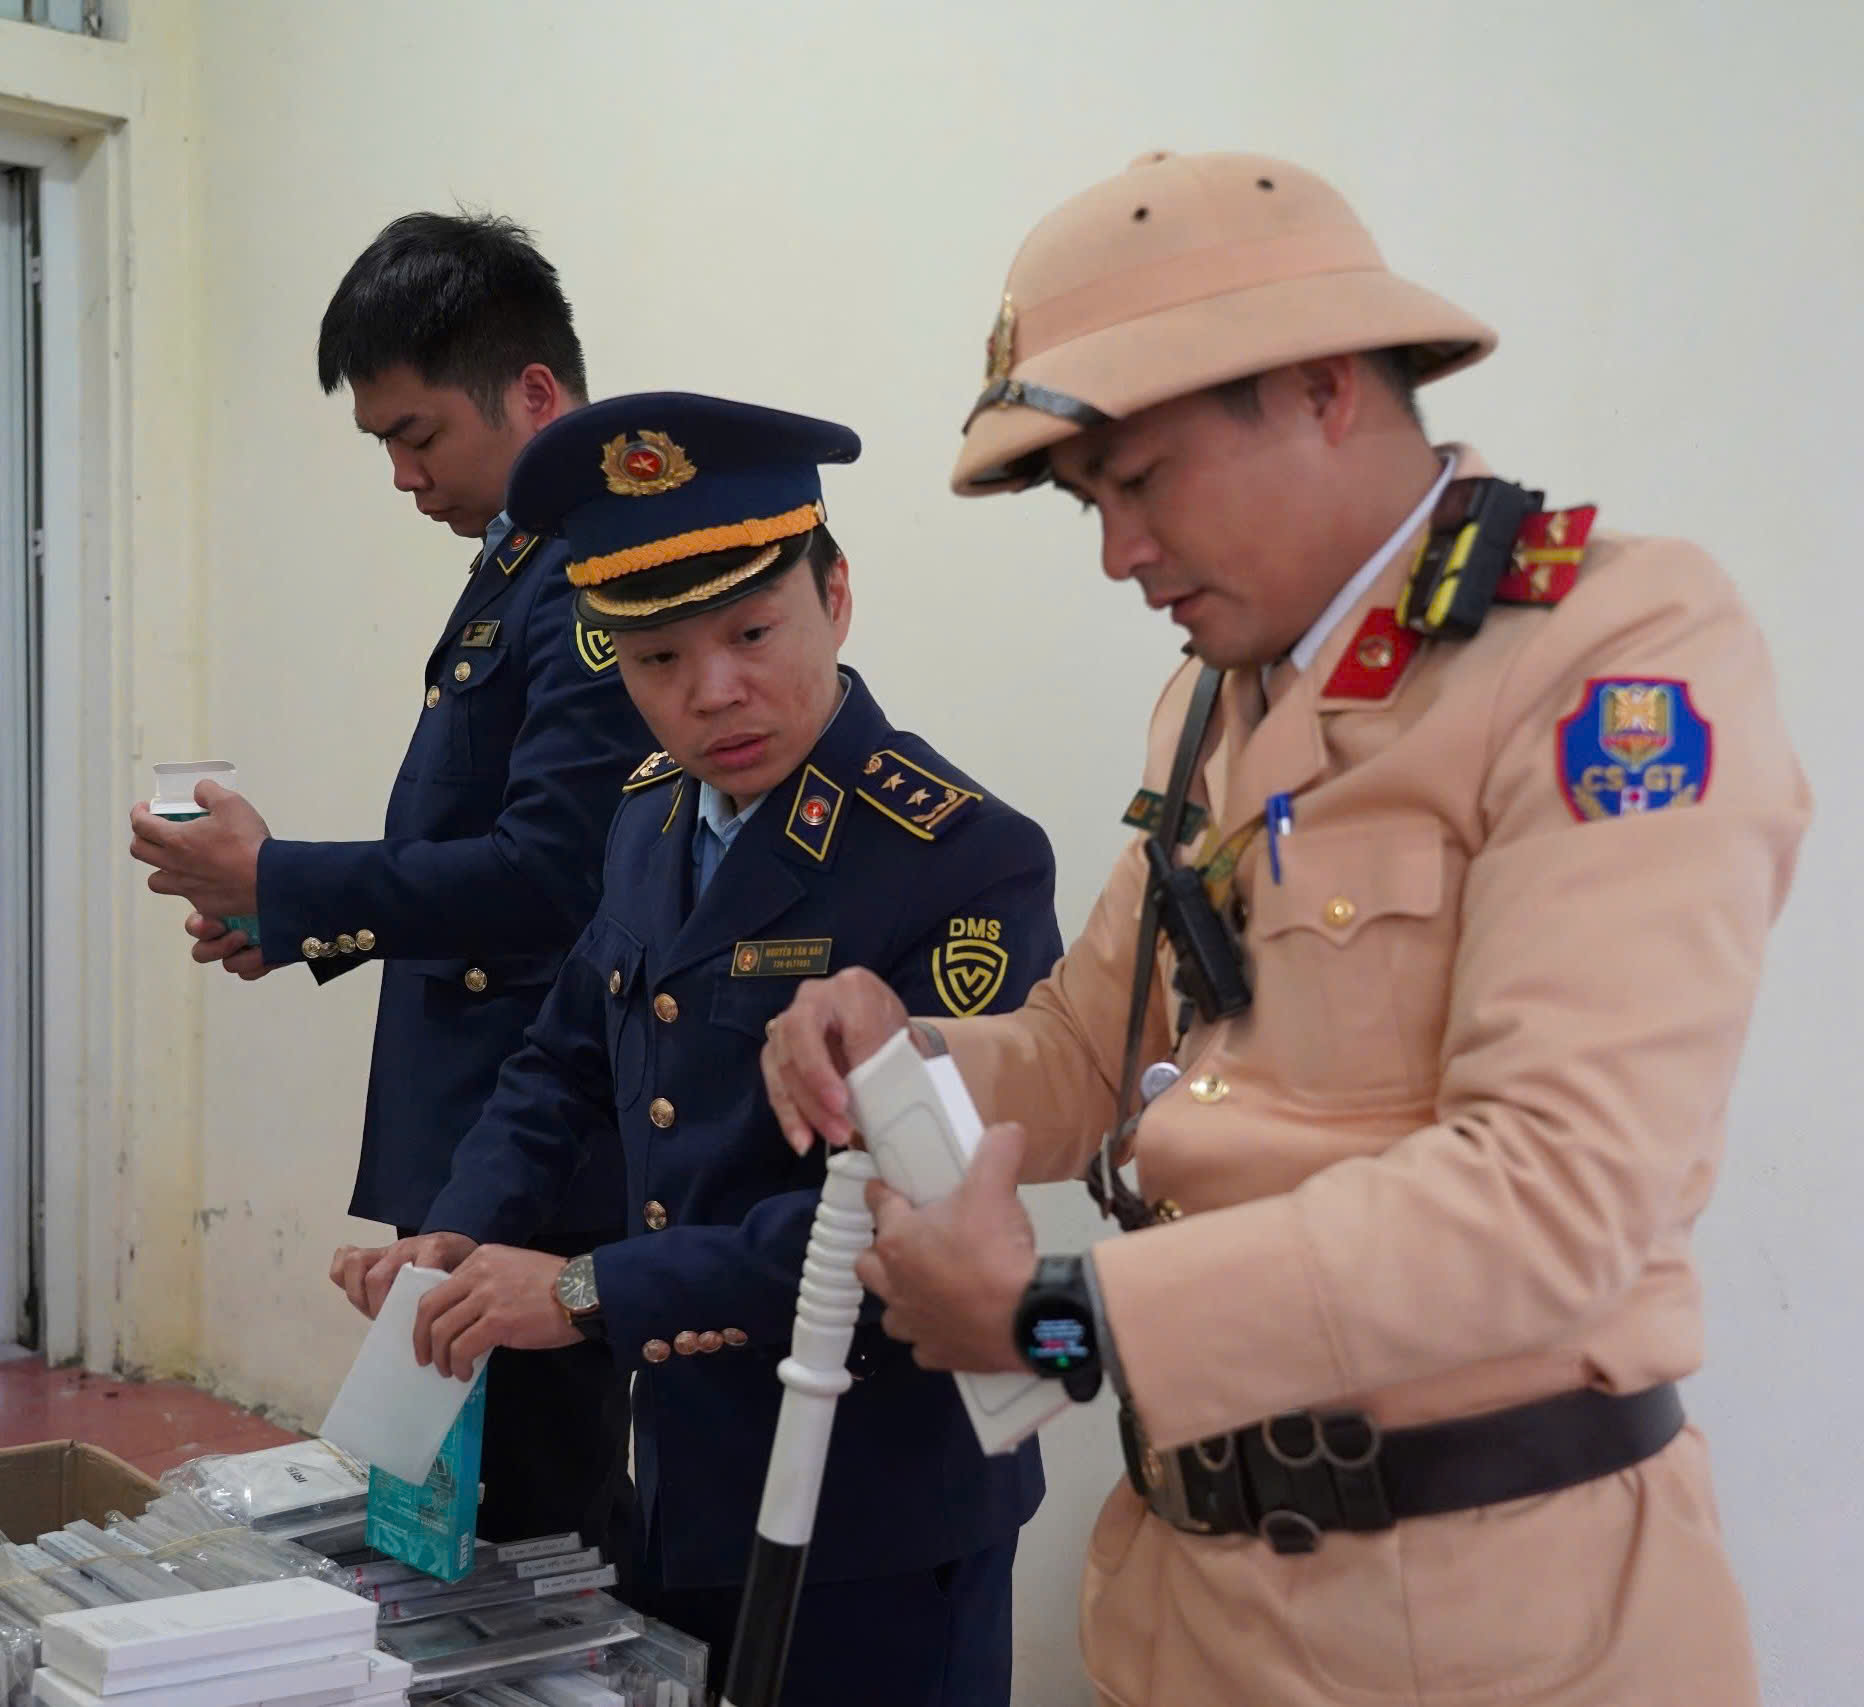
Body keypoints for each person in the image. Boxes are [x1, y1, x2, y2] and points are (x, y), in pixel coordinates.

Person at [759, 151, 1812, 1706]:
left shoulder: (1611, 654)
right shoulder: (1214, 699)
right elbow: (1093, 1048)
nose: (1117, 553)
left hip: (1484, 1623)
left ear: (1323, 386)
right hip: (1192, 1595)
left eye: (1141, 481)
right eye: (1091, 504)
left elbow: (1562, 1191)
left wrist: (1063, 1322)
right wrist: (902, 1052)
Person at [329, 392, 1059, 1706]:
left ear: (838, 595)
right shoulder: (652, 820)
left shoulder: (960, 858)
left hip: (875, 1508)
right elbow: (560, 1062)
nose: (711, 692)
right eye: (657, 655)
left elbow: (907, 1215)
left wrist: (584, 1290)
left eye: (751, 633)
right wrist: (458, 1231)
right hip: (685, 1476)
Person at [128, 212, 649, 1547]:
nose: (404, 478)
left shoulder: (592, 579)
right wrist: (300, 918)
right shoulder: (522, 563)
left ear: (534, 394)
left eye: (418, 436)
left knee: (532, 1532)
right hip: (481, 1129)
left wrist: (285, 876)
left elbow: (553, 876)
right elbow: (485, 841)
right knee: (458, 1509)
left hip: (540, 1140)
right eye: (383, 446)